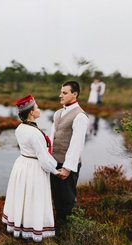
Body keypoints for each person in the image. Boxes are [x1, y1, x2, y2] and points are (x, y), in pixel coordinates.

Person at [2, 95, 59, 242]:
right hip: (33, 167)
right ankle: (33, 228)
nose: (39, 109)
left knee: (23, 196)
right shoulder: (34, 132)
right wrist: (55, 170)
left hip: (22, 164)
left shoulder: (21, 127)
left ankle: (20, 225)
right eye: (37, 107)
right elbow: (43, 158)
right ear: (32, 112)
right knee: (34, 197)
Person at [49, 81, 88, 228]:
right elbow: (52, 138)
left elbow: (77, 145)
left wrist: (67, 168)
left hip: (67, 166)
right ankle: (58, 228)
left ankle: (68, 232)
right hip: (54, 163)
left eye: (65, 93)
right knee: (56, 199)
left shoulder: (80, 116)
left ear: (75, 94)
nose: (61, 95)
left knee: (67, 200)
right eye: (61, 92)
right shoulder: (58, 113)